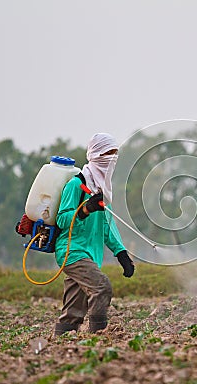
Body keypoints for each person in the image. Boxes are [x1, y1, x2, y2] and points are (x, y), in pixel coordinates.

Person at [54, 133, 134, 336]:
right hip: (72, 251)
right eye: (108, 154)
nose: (112, 159)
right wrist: (85, 209)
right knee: (101, 287)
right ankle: (99, 336)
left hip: (91, 253)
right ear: (96, 155)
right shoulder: (75, 185)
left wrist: (121, 253)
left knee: (73, 311)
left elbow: (107, 225)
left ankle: (59, 342)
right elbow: (63, 219)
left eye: (115, 154)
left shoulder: (103, 190)